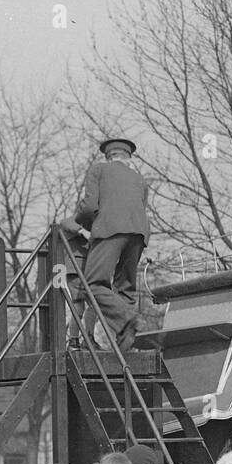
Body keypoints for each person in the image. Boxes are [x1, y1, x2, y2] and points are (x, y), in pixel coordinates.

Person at [74, 137, 150, 354]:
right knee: (125, 288)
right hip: (138, 234)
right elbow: (141, 208)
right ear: (128, 157)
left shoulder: (98, 170)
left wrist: (87, 224)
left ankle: (129, 318)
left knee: (93, 285)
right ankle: (126, 347)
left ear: (108, 156)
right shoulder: (139, 179)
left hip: (109, 230)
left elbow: (89, 206)